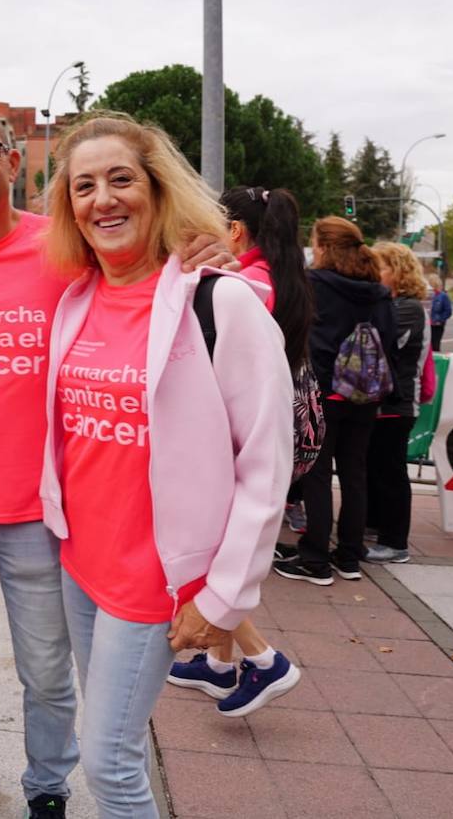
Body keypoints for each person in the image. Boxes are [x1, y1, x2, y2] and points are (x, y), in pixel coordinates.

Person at [0, 105, 233, 819]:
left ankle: (48, 786)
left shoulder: (65, 247)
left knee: (48, 671)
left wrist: (203, 251)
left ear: (15, 161)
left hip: (44, 515)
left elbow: (144, 260)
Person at [38, 114, 292, 815]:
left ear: (157, 190)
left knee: (109, 763)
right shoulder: (76, 300)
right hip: (82, 564)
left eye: (121, 179)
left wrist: (224, 596)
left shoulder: (221, 301)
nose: (103, 199)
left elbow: (266, 466)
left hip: (157, 580)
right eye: (83, 186)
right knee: (110, 741)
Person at [166, 185, 312, 717]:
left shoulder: (236, 287)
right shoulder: (279, 278)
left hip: (231, 437)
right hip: (270, 425)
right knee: (215, 552)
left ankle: (263, 658)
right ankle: (221, 665)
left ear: (233, 230)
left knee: (210, 563)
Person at [274, 217, 398, 585]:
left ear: (325, 247)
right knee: (355, 473)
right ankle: (348, 556)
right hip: (364, 394)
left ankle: (315, 559)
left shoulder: (315, 285)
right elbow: (389, 341)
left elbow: (303, 338)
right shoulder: (378, 291)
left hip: (323, 391)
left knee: (316, 475)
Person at [364, 243, 429, 564]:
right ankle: (375, 525)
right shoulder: (395, 304)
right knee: (377, 467)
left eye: (382, 269)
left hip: (396, 404)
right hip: (384, 403)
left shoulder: (408, 308)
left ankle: (395, 541)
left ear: (399, 273)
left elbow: (378, 342)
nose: (376, 275)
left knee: (391, 472)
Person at [428, 273, 452, 353]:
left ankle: (436, 364)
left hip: (437, 325)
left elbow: (448, 311)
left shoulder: (443, 296)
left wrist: (440, 320)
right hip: (427, 324)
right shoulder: (427, 295)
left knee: (435, 346)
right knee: (427, 346)